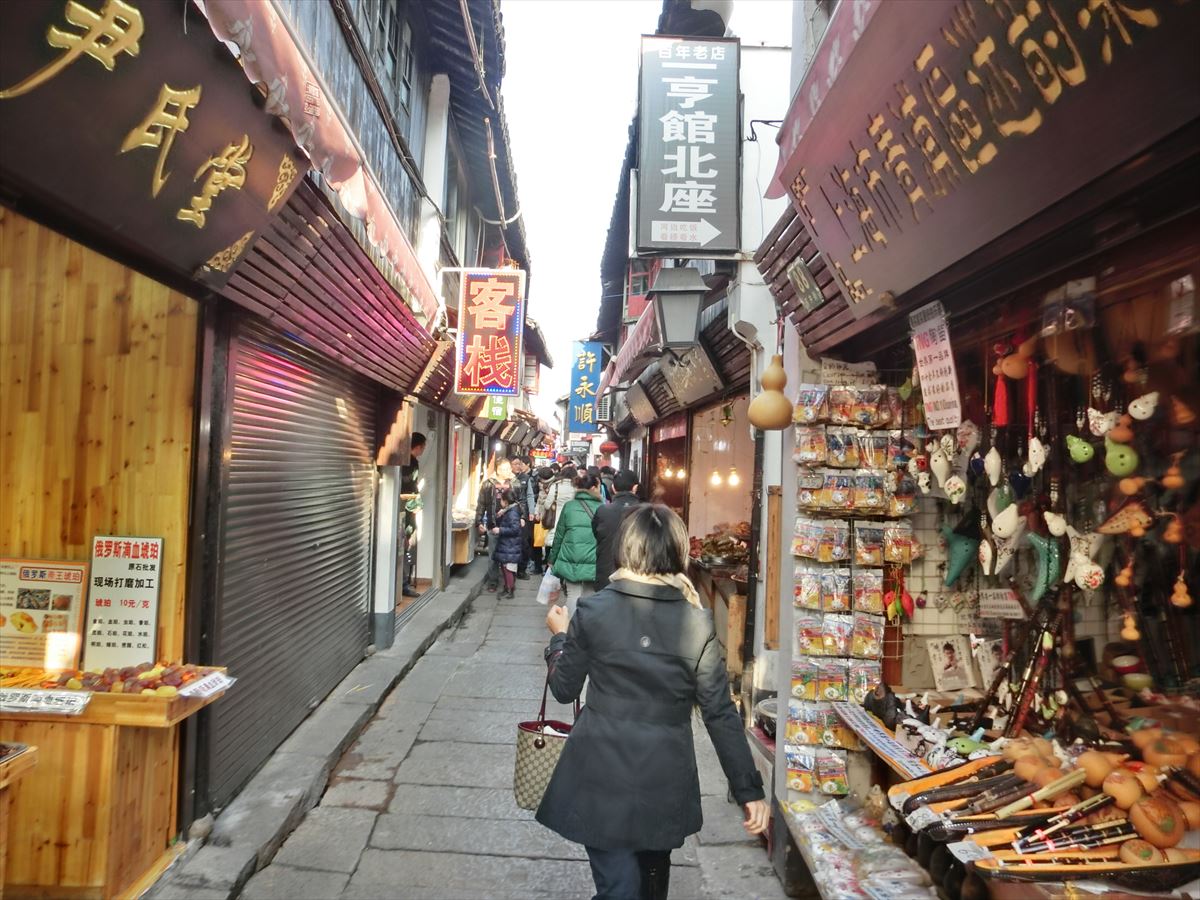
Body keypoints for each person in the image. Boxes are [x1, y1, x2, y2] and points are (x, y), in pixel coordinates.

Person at [538, 504, 769, 899]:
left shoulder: (594, 610)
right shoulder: (696, 621)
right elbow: (718, 712)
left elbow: (564, 689)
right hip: (664, 780)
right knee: (647, 883)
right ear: (677, 553)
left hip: (600, 772)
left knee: (621, 887)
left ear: (624, 549)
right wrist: (748, 790)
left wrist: (559, 638)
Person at [546, 472, 601, 616]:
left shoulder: (569, 506)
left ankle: (569, 626)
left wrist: (552, 558)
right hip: (593, 558)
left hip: (570, 557)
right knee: (590, 594)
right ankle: (585, 625)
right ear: (594, 488)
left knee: (573, 595)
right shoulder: (602, 507)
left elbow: (559, 535)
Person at [591, 469, 641, 588]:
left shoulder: (603, 511)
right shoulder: (645, 512)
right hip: (637, 575)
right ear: (635, 488)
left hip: (607, 573)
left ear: (613, 488)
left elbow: (596, 534)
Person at [476, 458, 513, 592]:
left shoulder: (514, 483)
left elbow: (521, 501)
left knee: (509, 555)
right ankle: (493, 581)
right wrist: (479, 521)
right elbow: (481, 504)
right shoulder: (488, 484)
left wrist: (522, 517)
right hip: (493, 524)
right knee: (493, 555)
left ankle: (509, 583)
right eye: (504, 469)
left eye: (508, 468)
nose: (507, 471)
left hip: (509, 526)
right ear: (497, 470)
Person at [399, 432, 426, 598]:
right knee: (405, 544)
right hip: (405, 509)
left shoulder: (405, 460)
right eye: (423, 447)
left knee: (404, 545)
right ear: (418, 446)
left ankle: (403, 584)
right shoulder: (410, 462)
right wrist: (416, 502)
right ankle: (403, 584)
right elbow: (411, 486)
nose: (423, 450)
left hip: (405, 509)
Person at [491, 488, 524, 599]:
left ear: (505, 501)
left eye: (501, 500)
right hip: (508, 545)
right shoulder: (510, 510)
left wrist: (500, 530)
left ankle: (510, 589)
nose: (500, 502)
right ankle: (507, 588)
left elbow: (515, 529)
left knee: (508, 568)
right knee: (505, 567)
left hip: (510, 545)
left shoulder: (512, 513)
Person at [535, 464, 577, 550]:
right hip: (572, 519)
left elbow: (547, 505)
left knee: (554, 543)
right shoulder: (577, 487)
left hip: (556, 519)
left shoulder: (556, 486)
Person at [511, 456, 533, 580]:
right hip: (509, 515)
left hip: (523, 515)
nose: (518, 466)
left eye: (519, 464)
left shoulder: (526, 478)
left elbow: (529, 496)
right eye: (515, 464)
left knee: (524, 544)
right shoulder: (506, 479)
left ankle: (521, 569)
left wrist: (531, 511)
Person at [529, 467, 556, 574]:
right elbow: (539, 502)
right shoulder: (543, 486)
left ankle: (546, 568)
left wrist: (539, 513)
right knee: (538, 542)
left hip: (550, 518)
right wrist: (536, 513)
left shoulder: (554, 486)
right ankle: (538, 566)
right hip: (540, 518)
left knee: (548, 544)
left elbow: (547, 504)